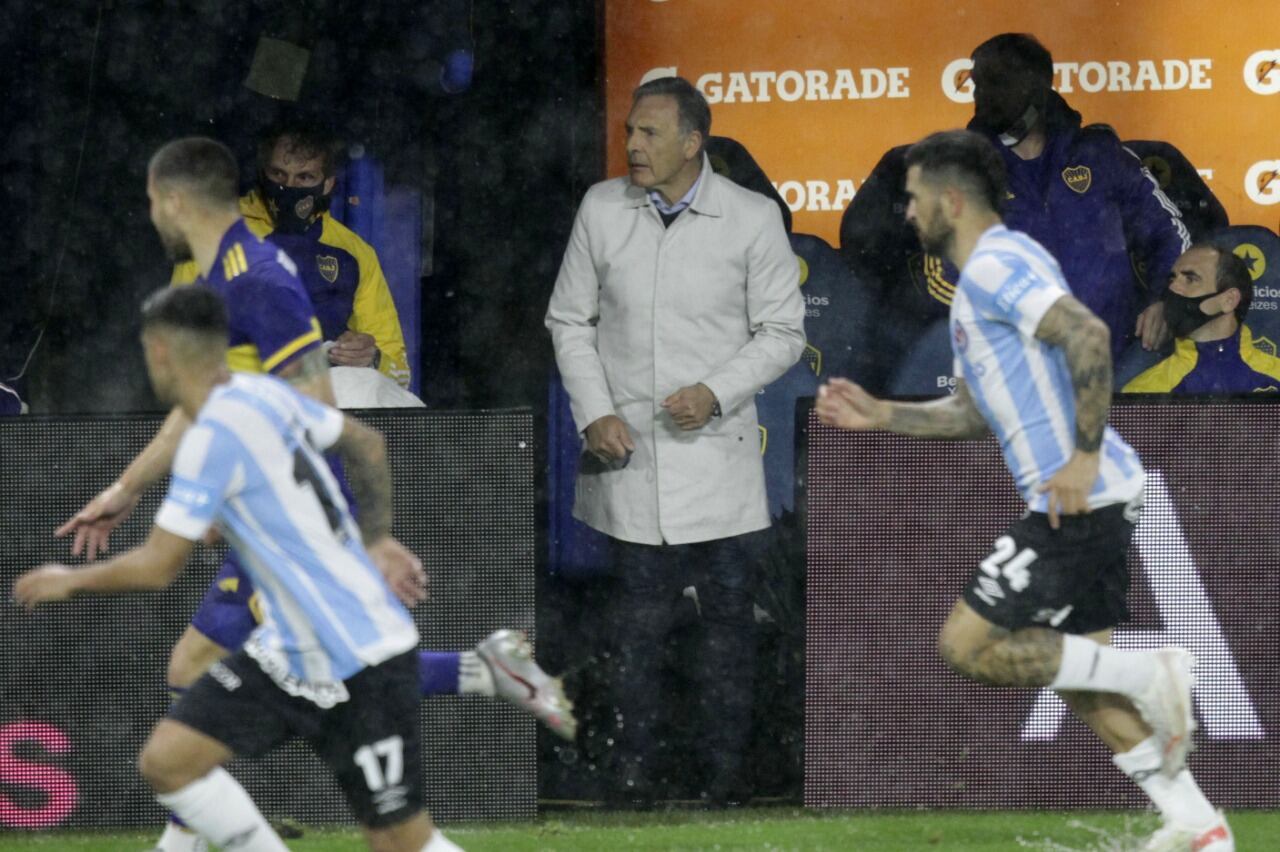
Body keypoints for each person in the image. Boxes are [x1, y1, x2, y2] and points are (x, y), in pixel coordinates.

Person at [56, 138, 573, 852]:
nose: (149, 215)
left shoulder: (259, 281)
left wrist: (343, 528)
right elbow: (201, 402)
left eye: (150, 201)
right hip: (272, 522)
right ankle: (481, 672)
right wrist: (126, 488)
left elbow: (321, 411)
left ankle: (479, 675)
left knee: (324, 687)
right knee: (223, 671)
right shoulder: (220, 276)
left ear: (174, 202)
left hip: (294, 527)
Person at [816, 130, 1232, 851]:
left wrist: (1082, 457)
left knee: (967, 645)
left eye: (913, 198)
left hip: (1079, 498)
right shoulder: (986, 277)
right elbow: (973, 413)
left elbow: (1088, 335)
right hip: (1094, 495)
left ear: (950, 200)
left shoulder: (997, 264)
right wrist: (883, 415)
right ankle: (1199, 826)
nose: (906, 212)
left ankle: (1152, 669)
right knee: (1083, 679)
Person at [15, 285, 460, 852]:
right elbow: (367, 444)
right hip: (290, 650)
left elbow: (157, 566)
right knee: (169, 760)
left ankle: (481, 669)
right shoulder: (263, 393)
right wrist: (378, 538)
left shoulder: (211, 437)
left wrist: (67, 581)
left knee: (401, 842)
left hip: (355, 655)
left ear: (159, 352)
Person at [545, 76, 805, 805]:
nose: (632, 145)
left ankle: (724, 782)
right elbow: (569, 321)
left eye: (649, 133)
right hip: (629, 460)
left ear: (693, 143)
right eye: (630, 131)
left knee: (727, 638)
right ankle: (631, 779)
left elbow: (784, 332)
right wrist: (595, 413)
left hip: (718, 466)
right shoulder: (601, 208)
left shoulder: (751, 217)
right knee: (634, 639)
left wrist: (717, 391)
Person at [841, 33, 1191, 388]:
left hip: (1116, 368)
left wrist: (1165, 300)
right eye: (979, 84)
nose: (983, 95)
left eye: (998, 82)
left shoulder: (1101, 154)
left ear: (1036, 87)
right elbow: (942, 275)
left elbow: (1169, 231)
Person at [171, 118, 413, 394]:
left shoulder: (354, 251)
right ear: (263, 173)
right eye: (278, 175)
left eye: (304, 178)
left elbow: (400, 374)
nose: (289, 186)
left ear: (327, 184)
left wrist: (372, 358)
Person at [1123, 243, 1280, 393]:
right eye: (1172, 279)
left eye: (1190, 279)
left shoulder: (1275, 376)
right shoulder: (1143, 391)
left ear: (1229, 300)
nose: (1172, 287)